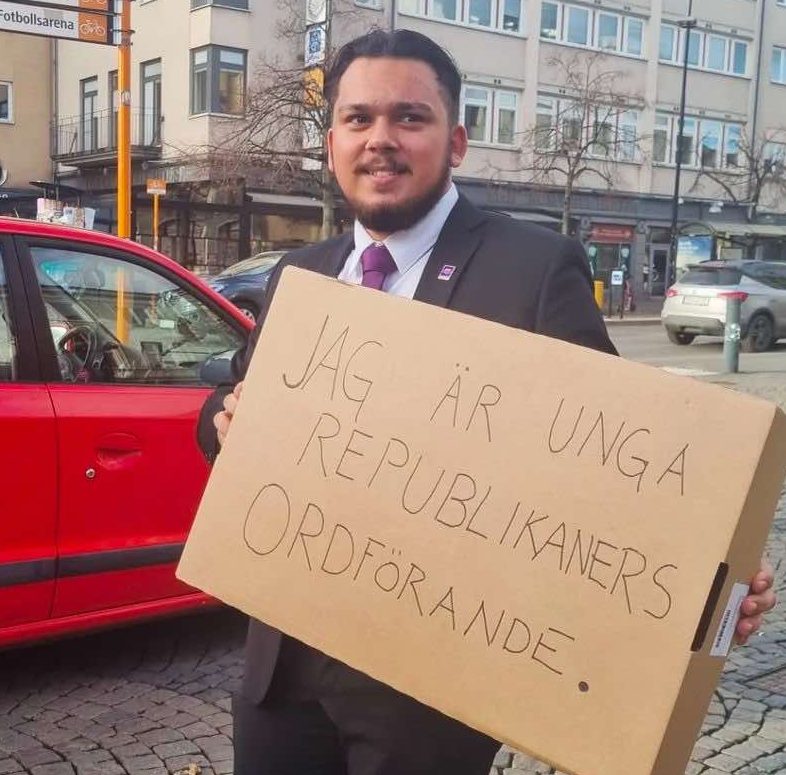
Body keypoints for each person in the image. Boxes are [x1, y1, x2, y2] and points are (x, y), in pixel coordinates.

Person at [197, 28, 776, 775]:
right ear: (332, 142)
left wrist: (707, 579)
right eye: (358, 118)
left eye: (410, 117)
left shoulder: (533, 268)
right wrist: (225, 420)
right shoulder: (299, 275)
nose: (381, 139)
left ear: (457, 141)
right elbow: (226, 408)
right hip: (282, 670)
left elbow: (614, 473)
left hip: (427, 691)